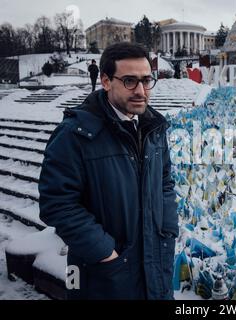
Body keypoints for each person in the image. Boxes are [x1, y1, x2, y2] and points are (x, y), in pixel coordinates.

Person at [39, 42, 178, 300]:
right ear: (105, 81)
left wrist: (167, 227)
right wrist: (104, 251)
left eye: (146, 80)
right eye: (129, 81)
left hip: (155, 261)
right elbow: (56, 203)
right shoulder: (74, 135)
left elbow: (165, 182)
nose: (141, 91)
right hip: (101, 272)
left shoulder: (154, 128)